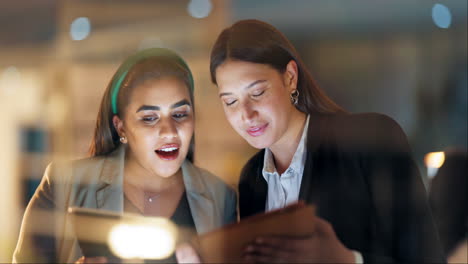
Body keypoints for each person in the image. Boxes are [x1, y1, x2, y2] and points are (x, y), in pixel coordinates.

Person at [208, 19, 444, 263]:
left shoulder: (369, 139)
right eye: (230, 102)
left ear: (290, 77)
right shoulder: (252, 179)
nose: (246, 115)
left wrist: (349, 259)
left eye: (257, 93)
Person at [13, 48, 237, 263]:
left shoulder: (220, 197)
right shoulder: (64, 184)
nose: (169, 131)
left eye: (179, 114)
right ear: (121, 128)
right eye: (149, 118)